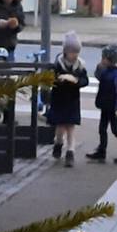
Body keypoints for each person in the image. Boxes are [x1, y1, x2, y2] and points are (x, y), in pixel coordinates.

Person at [47, 31, 88, 168]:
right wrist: (60, 80)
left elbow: (85, 80)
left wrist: (76, 80)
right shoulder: (58, 64)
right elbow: (51, 79)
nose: (74, 55)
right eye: (72, 52)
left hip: (72, 100)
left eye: (76, 52)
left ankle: (70, 152)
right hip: (59, 99)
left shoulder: (80, 66)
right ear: (65, 51)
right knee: (60, 127)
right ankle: (58, 143)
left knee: (70, 127)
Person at [87, 44, 117, 163]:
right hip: (105, 104)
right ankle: (102, 150)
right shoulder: (105, 70)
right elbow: (99, 76)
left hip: (112, 106)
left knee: (115, 129)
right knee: (102, 128)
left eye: (104, 58)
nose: (102, 60)